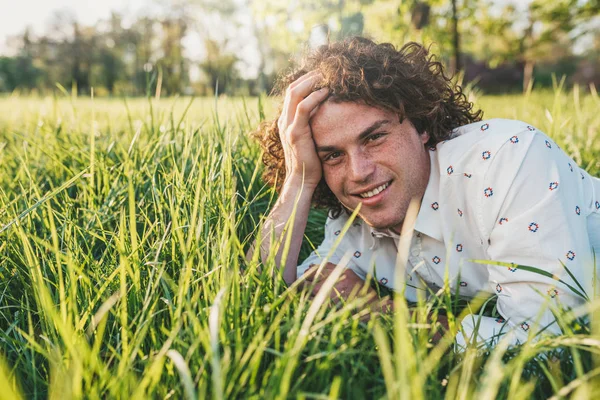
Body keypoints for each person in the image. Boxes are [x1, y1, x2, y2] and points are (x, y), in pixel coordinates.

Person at [253, 36, 600, 348]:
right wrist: (298, 180)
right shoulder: (353, 215)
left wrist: (380, 313)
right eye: (333, 156)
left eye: (374, 138)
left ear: (420, 124)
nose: (358, 173)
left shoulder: (509, 160)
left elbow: (550, 341)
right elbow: (260, 295)